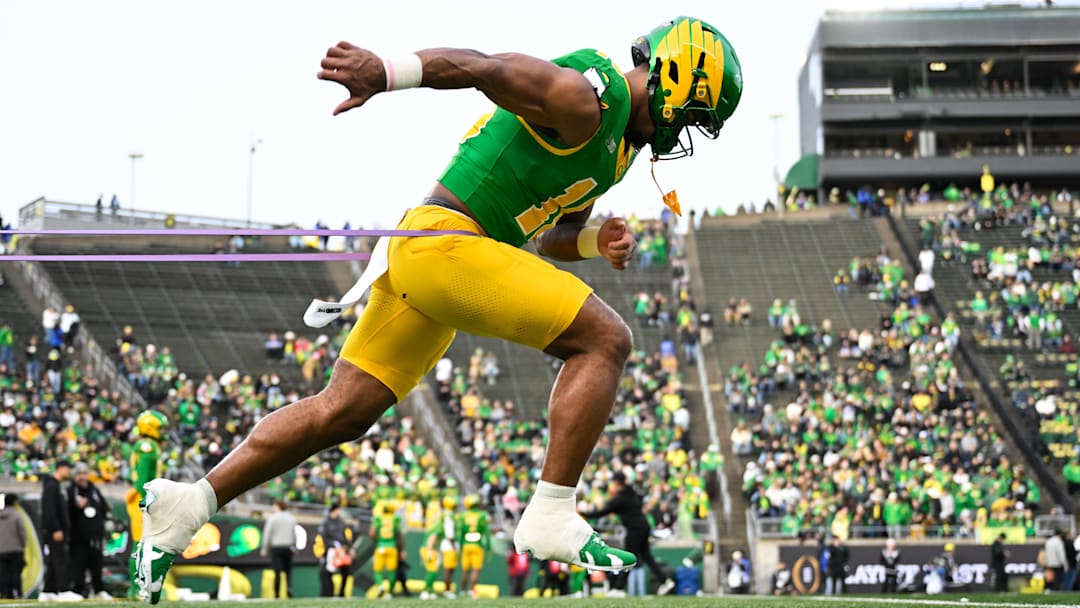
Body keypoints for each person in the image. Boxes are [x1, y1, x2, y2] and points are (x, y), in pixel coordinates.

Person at [130, 16, 742, 604]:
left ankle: (189, 506)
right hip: (446, 244)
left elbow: (551, 237)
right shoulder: (587, 99)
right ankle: (552, 509)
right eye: (692, 116)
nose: (685, 134)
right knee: (605, 340)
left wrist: (593, 243)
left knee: (341, 413)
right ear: (673, 79)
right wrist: (385, 71)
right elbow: (484, 67)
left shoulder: (617, 149)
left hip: (431, 255)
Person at [579, 472, 675, 596]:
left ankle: (618, 588)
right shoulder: (632, 493)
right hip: (644, 526)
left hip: (635, 529)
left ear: (617, 483)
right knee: (647, 557)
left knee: (628, 558)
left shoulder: (621, 498)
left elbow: (603, 512)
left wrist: (583, 513)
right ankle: (665, 581)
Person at [40, 460, 81, 602]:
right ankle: (63, 590)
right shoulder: (51, 486)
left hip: (59, 529)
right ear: (61, 468)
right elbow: (49, 509)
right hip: (55, 530)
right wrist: (55, 528)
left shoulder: (57, 486)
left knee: (53, 560)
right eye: (68, 469)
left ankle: (48, 591)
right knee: (61, 559)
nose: (69, 472)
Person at [68, 462, 110, 599]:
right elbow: (65, 511)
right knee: (78, 566)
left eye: (84, 474)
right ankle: (78, 591)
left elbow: (103, 507)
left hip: (95, 535)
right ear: (74, 476)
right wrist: (75, 506)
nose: (82, 477)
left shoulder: (94, 490)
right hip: (78, 536)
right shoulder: (70, 491)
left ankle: (99, 590)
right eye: (79, 474)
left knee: (96, 564)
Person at [127, 411, 166, 545]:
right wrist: (148, 500)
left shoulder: (149, 445)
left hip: (145, 495)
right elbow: (143, 478)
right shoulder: (148, 447)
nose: (162, 432)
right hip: (142, 496)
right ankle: (136, 567)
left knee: (145, 541)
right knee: (141, 542)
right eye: (160, 428)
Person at [421, 495, 460, 599]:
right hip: (430, 548)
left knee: (434, 570)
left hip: (433, 547)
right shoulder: (446, 518)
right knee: (433, 570)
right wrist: (430, 550)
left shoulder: (443, 517)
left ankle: (429, 591)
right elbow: (433, 536)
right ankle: (427, 591)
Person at [260, 500, 297, 599]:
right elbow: (295, 533)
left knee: (277, 571)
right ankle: (289, 588)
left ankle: (277, 593)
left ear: (278, 506)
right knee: (288, 571)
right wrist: (295, 546)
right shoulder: (291, 518)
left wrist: (264, 548)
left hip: (276, 547)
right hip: (288, 547)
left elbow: (267, 534)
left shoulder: (272, 518)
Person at [315, 504, 354, 598]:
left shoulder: (341, 522)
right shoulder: (326, 523)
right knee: (328, 572)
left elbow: (346, 536)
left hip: (342, 551)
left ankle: (341, 593)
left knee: (346, 572)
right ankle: (328, 594)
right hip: (330, 551)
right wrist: (333, 547)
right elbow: (323, 538)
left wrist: (349, 548)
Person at [457, 494, 490, 598]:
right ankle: (472, 591)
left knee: (465, 570)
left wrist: (461, 546)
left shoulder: (463, 516)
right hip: (477, 545)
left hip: (466, 545)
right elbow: (486, 532)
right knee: (476, 570)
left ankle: (462, 591)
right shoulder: (482, 515)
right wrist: (489, 547)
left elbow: (460, 533)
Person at [370, 502, 403, 598]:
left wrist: (378, 541)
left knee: (377, 570)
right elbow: (399, 534)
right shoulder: (395, 519)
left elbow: (372, 533)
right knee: (392, 571)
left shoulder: (378, 518)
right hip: (392, 546)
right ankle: (389, 592)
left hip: (381, 546)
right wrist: (402, 549)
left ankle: (380, 585)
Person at [0, 494, 26, 599]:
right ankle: (17, 592)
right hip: (16, 549)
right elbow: (22, 532)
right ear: (14, 502)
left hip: (1, 550)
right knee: (15, 573)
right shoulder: (17, 515)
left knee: (3, 573)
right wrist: (23, 545)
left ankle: (4, 593)